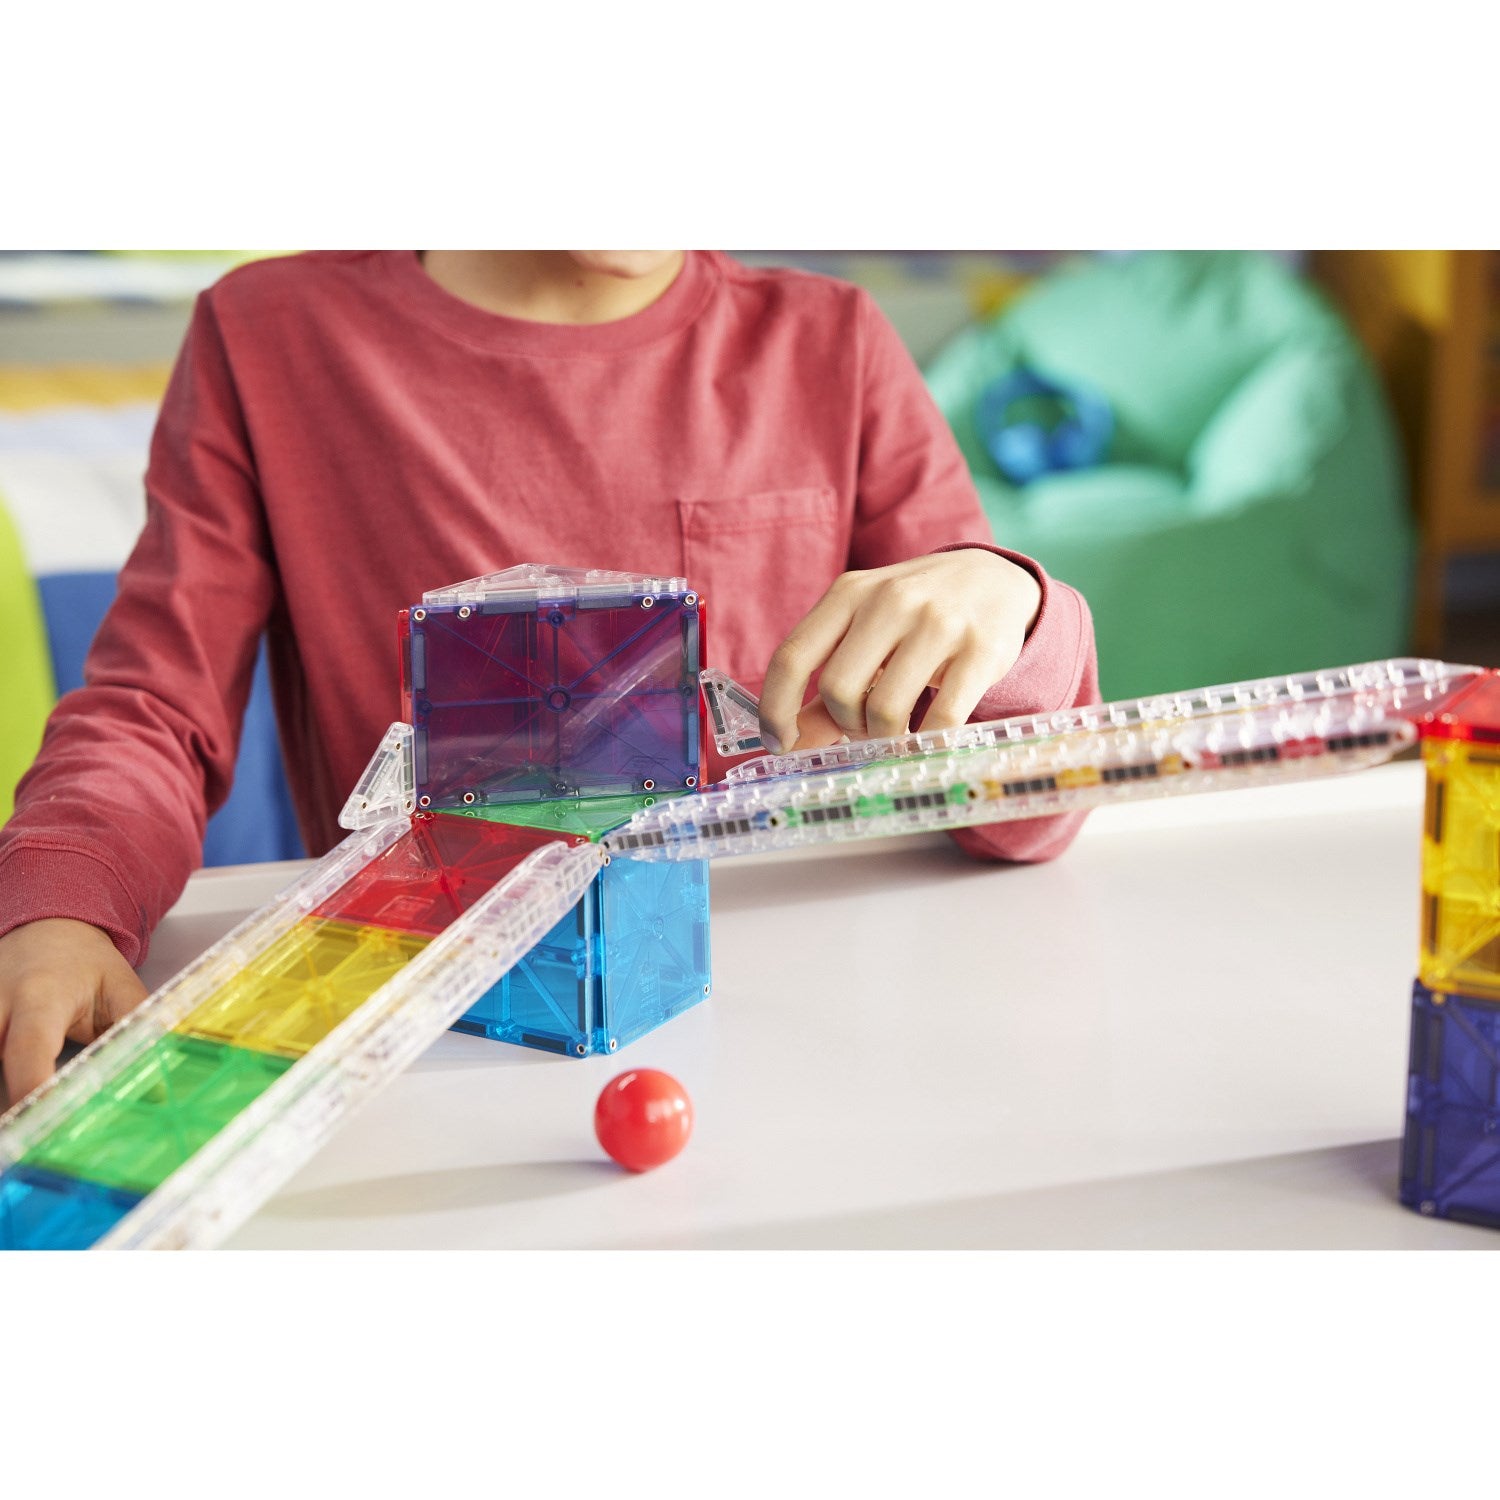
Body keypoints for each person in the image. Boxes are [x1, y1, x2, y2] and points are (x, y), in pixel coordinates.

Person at [0, 250, 1099, 1105]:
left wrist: (1016, 603)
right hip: (445, 1052)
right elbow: (153, 706)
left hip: (813, 1047)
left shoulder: (832, 341)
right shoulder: (269, 336)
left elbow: (1022, 805)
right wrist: (62, 904)